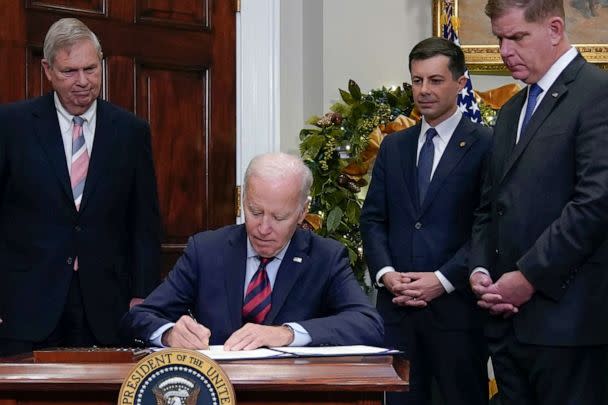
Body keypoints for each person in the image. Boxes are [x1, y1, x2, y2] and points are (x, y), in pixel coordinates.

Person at [469, 1, 608, 404]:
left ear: (554, 29)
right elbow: (489, 205)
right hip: (508, 325)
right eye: (499, 39)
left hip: (570, 327)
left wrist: (528, 277)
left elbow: (595, 203)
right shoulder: (512, 109)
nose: (504, 51)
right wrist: (480, 267)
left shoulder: (596, 94)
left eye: (517, 37)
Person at [0, 18, 161, 356]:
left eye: (91, 68)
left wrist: (144, 296)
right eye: (69, 71)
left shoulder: (131, 132)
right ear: (47, 69)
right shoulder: (11, 126)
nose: (83, 82)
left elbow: (144, 222)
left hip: (107, 306)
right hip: (25, 305)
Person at [121, 152, 383, 350]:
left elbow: (367, 324)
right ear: (243, 200)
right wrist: (169, 334)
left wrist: (286, 333)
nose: (263, 228)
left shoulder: (325, 257)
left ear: (302, 213)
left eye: (279, 217)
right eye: (255, 212)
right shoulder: (206, 250)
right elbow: (140, 316)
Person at [360, 37, 491, 405]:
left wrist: (443, 280)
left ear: (460, 83)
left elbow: (489, 226)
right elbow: (373, 219)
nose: (424, 91)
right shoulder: (393, 146)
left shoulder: (486, 144)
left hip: (457, 315)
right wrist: (386, 273)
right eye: (417, 81)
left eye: (435, 80)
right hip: (397, 315)